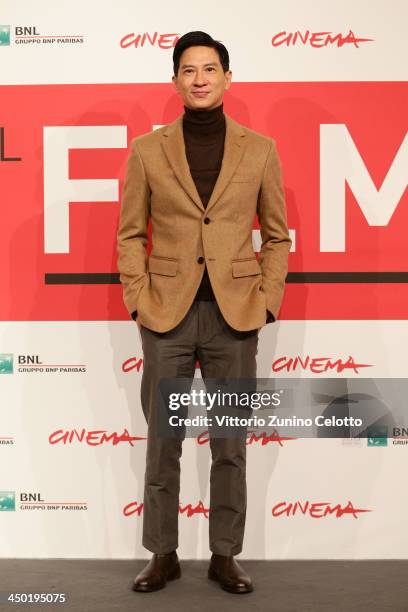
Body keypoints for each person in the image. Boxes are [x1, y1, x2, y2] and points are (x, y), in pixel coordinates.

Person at [116, 30, 291, 594]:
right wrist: (139, 297)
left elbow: (278, 236)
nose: (199, 79)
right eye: (188, 70)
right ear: (175, 81)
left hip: (235, 315)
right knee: (163, 441)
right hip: (165, 313)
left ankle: (225, 556)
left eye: (209, 69)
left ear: (227, 78)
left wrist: (265, 300)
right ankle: (162, 554)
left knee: (230, 444)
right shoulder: (148, 150)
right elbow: (130, 235)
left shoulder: (259, 148)